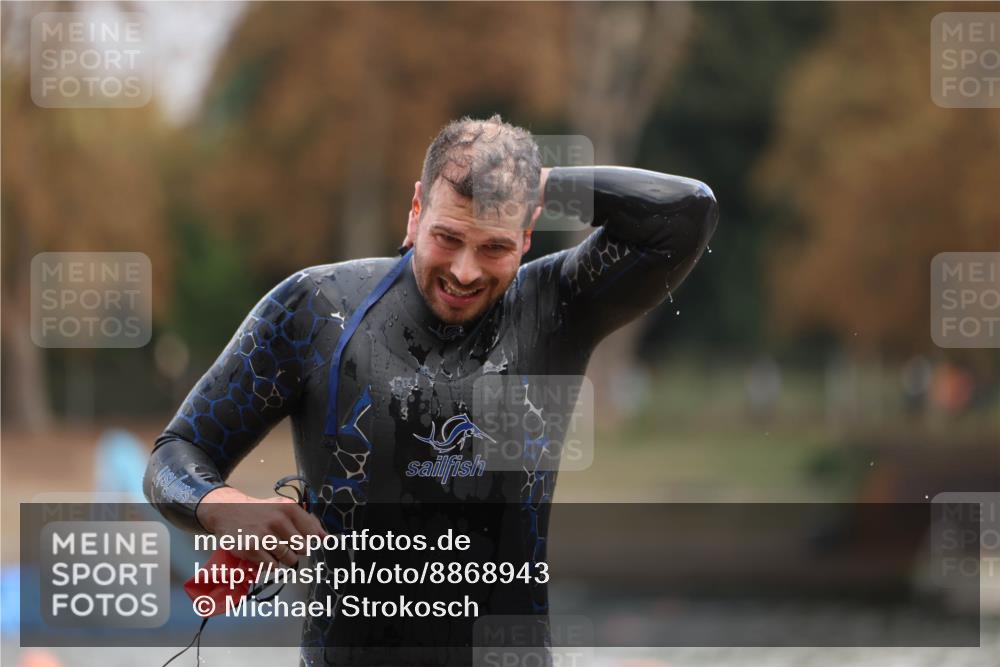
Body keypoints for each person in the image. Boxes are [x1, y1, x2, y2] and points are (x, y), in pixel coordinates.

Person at [144, 114, 718, 666]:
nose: (465, 271)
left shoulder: (556, 307)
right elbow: (176, 454)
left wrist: (528, 179)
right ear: (416, 210)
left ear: (528, 230)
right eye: (447, 237)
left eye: (494, 247)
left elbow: (686, 213)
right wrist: (219, 507)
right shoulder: (317, 308)